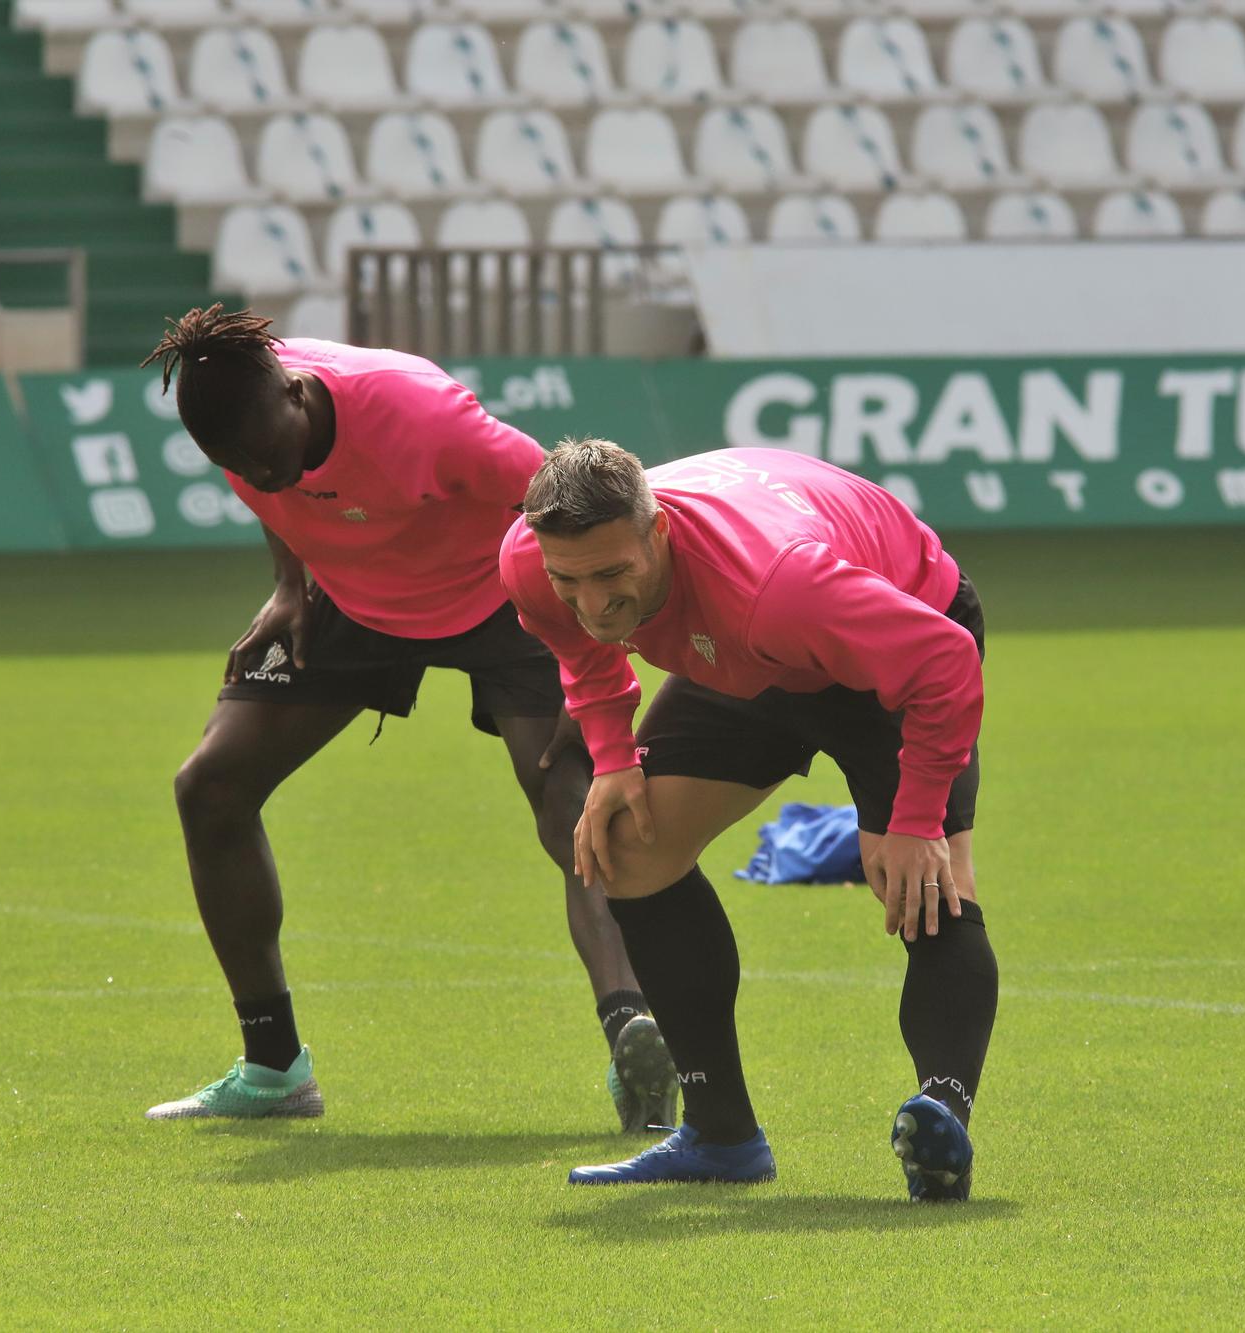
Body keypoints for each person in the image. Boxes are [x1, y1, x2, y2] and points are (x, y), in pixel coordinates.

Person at [134, 307, 675, 1129]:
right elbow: (279, 497)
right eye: (235, 464)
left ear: (298, 393)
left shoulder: (419, 414)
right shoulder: (234, 414)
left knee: (574, 805)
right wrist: (289, 586)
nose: (256, 472)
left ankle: (636, 1039)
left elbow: (565, 515)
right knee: (209, 786)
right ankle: (274, 1066)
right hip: (355, 603)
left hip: (501, 599)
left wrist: (599, 660)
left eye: (267, 454)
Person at [499, 440, 998, 1202]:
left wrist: (918, 817)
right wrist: (612, 755)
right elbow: (582, 643)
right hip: (747, 653)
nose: (593, 601)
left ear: (658, 533)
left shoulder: (778, 584)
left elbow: (946, 661)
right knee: (631, 845)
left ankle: (941, 1117)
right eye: (570, 579)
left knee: (918, 879)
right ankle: (721, 1134)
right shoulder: (533, 559)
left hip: (897, 630)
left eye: (612, 575)